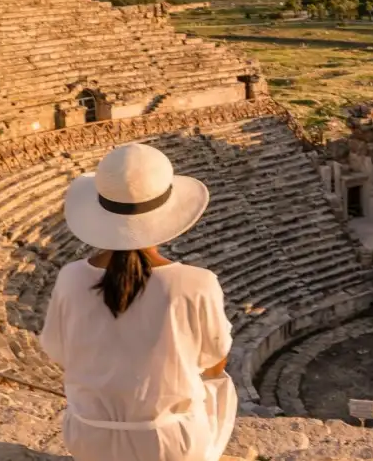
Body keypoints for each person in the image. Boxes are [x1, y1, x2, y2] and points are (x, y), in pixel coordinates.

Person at [40, 143, 235, 461]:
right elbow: (214, 360)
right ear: (167, 213)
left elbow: (59, 352)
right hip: (170, 444)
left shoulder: (71, 278)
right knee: (217, 383)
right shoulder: (196, 282)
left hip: (88, 439)